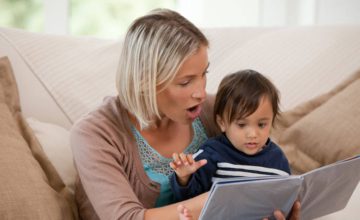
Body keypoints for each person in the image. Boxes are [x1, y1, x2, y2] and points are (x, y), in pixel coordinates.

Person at [70, 8, 300, 220]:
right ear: (144, 82)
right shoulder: (95, 134)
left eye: (204, 74)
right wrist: (226, 200)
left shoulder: (213, 110)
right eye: (186, 82)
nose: (201, 92)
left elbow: (261, 157)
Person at [169, 69, 291, 205]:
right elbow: (188, 199)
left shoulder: (278, 160)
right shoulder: (212, 153)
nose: (253, 134)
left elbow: (285, 200)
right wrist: (184, 177)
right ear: (222, 123)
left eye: (262, 125)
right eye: (241, 125)